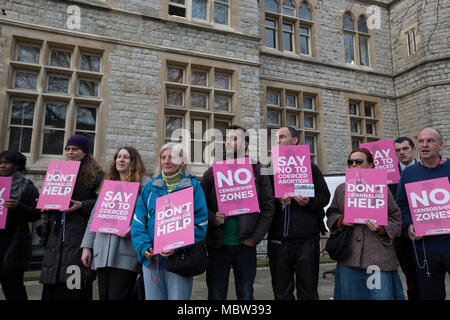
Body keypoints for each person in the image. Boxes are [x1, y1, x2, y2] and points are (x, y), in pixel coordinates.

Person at [201, 125, 275, 300]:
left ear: (246, 144)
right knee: (216, 294)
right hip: (217, 245)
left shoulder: (258, 170)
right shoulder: (213, 171)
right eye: (226, 139)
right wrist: (212, 218)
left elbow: (268, 207)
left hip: (245, 246)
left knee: (246, 294)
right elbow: (198, 204)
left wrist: (255, 238)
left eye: (234, 139)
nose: (228, 143)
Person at [131, 142, 208, 300]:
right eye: (163, 157)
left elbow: (201, 224)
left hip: (179, 260)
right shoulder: (150, 187)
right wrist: (143, 246)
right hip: (152, 261)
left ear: (182, 161)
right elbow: (138, 221)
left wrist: (177, 244)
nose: (166, 161)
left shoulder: (193, 187)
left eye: (171, 157)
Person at [326, 148, 404, 300]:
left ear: (371, 165)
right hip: (349, 257)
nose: (354, 164)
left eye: (359, 161)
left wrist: (381, 229)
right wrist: (341, 221)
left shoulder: (383, 189)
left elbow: (396, 218)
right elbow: (331, 213)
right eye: (350, 162)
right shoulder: (341, 189)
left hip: (378, 258)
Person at [267, 127, 330, 300]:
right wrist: (277, 199)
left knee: (308, 291)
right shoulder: (270, 169)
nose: (277, 141)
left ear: (294, 140)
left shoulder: (311, 167)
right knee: (281, 291)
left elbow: (325, 196)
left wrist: (309, 202)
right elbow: (262, 200)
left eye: (282, 137)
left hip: (306, 239)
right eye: (276, 138)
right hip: (278, 239)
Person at [40, 134, 104, 300]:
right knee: (53, 285)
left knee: (73, 284)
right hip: (56, 237)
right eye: (67, 149)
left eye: (74, 149)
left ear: (85, 152)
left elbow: (104, 202)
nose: (69, 152)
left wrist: (82, 205)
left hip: (78, 236)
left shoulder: (96, 175)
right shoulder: (58, 172)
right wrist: (45, 204)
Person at [81, 147, 150, 300]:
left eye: (126, 157)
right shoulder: (109, 184)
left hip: (126, 253)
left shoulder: (144, 184)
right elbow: (94, 216)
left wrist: (134, 228)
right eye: (118, 156)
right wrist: (87, 247)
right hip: (102, 253)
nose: (121, 159)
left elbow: (152, 214)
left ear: (133, 162)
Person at [396, 128, 450, 300]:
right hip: (425, 249)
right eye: (420, 141)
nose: (424, 145)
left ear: (440, 145)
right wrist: (409, 224)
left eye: (430, 141)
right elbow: (402, 204)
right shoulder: (409, 174)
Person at [0, 151, 40, 300]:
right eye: (0, 163)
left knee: (13, 287)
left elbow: (36, 214)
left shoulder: (27, 186)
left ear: (17, 166)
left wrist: (19, 206)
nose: (2, 166)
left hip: (13, 243)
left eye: (6, 163)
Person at [389, 137, 420, 300]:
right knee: (410, 276)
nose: (402, 152)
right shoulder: (389, 175)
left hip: (426, 229)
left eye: (405, 149)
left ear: (413, 149)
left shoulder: (424, 169)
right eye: (398, 150)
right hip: (401, 232)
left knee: (430, 276)